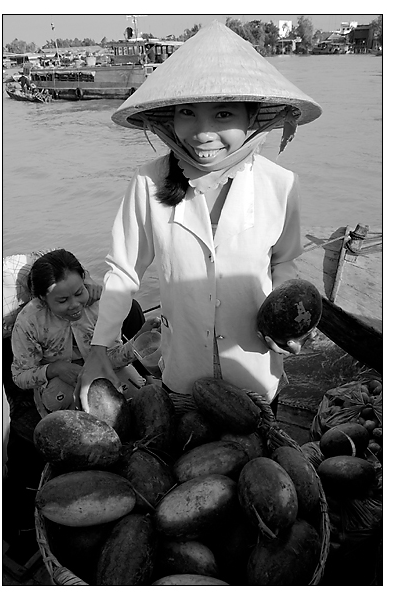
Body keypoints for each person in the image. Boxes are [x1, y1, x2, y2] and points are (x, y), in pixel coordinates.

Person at [77, 21, 322, 413]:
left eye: (223, 114)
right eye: (188, 113)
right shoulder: (148, 181)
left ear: (252, 118)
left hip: (255, 374)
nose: (203, 134)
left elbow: (283, 262)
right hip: (182, 379)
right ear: (170, 118)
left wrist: (288, 324)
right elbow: (124, 272)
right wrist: (99, 347)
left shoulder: (281, 184)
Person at [11, 249, 159, 417]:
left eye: (79, 293)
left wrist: (137, 342)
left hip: (105, 367)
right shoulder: (28, 322)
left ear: (84, 280)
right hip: (59, 383)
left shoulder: (99, 304)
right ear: (42, 299)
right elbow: (20, 376)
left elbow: (112, 357)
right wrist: (54, 369)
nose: (75, 305)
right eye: (62, 300)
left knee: (134, 391)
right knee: (64, 400)